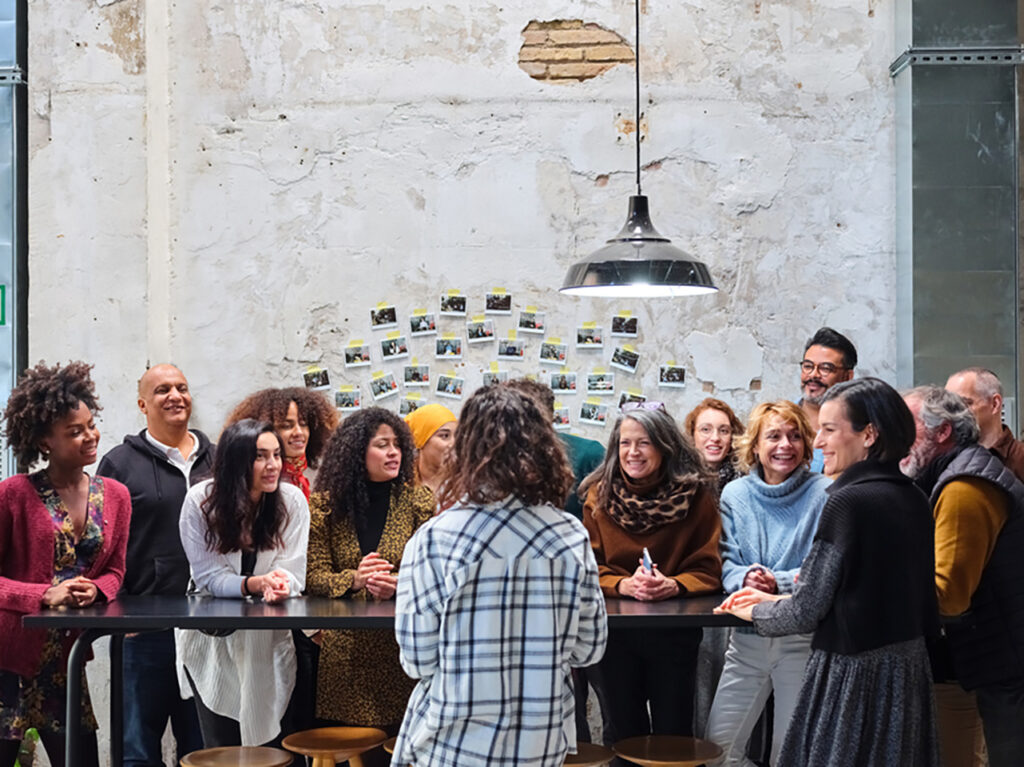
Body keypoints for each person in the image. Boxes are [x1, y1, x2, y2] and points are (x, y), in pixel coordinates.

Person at [717, 378, 939, 767]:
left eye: (829, 430)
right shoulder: (914, 496)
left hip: (853, 673)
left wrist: (751, 609)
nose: (817, 442)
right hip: (905, 671)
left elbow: (807, 610)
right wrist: (776, 596)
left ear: (868, 435)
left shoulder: (846, 501)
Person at [392, 385, 607, 767]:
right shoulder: (570, 536)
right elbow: (589, 649)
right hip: (539, 743)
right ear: (544, 447)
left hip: (452, 743)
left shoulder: (434, 539)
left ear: (466, 448)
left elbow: (416, 660)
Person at [0, 361, 131, 767]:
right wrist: (44, 594)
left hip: (66, 662)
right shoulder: (14, 494)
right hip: (8, 661)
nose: (90, 436)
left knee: (82, 761)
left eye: (90, 424)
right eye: (74, 432)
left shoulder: (116, 495)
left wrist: (97, 589)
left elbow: (116, 571)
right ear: (44, 442)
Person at [580, 403, 721, 763]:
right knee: (622, 735)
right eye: (625, 443)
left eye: (643, 443)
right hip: (614, 636)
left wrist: (674, 584)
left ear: (664, 446)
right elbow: (584, 567)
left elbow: (709, 565)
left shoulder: (697, 496)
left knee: (673, 735)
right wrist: (623, 584)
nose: (633, 452)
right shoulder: (598, 495)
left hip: (673, 634)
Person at [902, 385, 1024, 767]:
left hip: (1005, 663)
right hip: (993, 655)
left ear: (943, 433)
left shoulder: (963, 487)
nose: (899, 438)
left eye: (909, 427)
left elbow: (948, 595)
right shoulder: (956, 473)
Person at [96, 363, 211, 766]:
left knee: (205, 749)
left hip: (207, 628)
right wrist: (118, 609)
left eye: (182, 387)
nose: (175, 396)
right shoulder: (118, 465)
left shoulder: (216, 459)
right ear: (143, 404)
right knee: (137, 750)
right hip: (142, 629)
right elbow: (101, 546)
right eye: (162, 390)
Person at [305, 408, 433, 767]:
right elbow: (312, 578)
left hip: (402, 649)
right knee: (359, 755)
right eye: (382, 445)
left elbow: (433, 575)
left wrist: (399, 584)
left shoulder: (418, 503)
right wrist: (354, 579)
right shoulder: (325, 507)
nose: (394, 453)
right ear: (356, 452)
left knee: (402, 752)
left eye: (397, 445)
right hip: (347, 652)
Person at [705, 401, 830, 766]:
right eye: (773, 436)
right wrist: (746, 577)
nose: (785, 445)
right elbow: (725, 562)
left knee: (790, 756)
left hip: (801, 639)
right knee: (717, 753)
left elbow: (824, 568)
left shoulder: (825, 492)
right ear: (755, 446)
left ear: (807, 446)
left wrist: (779, 582)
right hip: (746, 640)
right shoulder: (736, 494)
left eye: (794, 437)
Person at [175, 419, 309, 748]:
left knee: (274, 746)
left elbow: (294, 571)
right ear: (237, 460)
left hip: (266, 642)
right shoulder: (200, 501)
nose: (273, 465)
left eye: (277, 455)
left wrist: (280, 584)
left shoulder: (291, 501)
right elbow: (208, 577)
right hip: (211, 643)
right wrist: (254, 584)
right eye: (261, 456)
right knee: (222, 747)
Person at [503, 377, 607, 740]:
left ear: (550, 419)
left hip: (581, 588)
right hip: (523, 605)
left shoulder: (586, 452)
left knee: (601, 697)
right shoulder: (499, 464)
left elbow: (603, 525)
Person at [224, 387, 339, 500]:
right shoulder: (260, 478)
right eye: (287, 426)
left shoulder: (316, 475)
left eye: (304, 424)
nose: (299, 432)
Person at [946, 367, 1024, 481]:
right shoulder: (944, 458)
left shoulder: (1020, 459)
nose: (952, 413)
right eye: (947, 406)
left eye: (963, 404)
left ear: (995, 404)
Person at [798, 327, 857, 472]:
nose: (813, 375)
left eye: (825, 368)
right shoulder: (779, 418)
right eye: (808, 366)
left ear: (848, 377)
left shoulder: (856, 428)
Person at [684, 398, 745, 492]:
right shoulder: (677, 479)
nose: (715, 438)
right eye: (706, 429)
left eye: (723, 431)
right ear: (692, 434)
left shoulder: (745, 483)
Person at [404, 403, 456, 494]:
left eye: (457, 436)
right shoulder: (402, 487)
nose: (453, 444)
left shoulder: (465, 488)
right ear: (421, 440)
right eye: (445, 436)